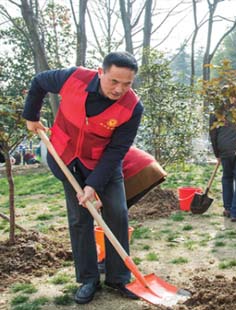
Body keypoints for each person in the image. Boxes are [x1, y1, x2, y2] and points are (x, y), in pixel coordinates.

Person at [22, 52, 143, 304]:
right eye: (114, 81)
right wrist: (31, 116)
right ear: (101, 72)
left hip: (103, 163)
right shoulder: (73, 78)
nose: (120, 89)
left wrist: (93, 185)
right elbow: (39, 82)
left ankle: (117, 277)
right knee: (79, 218)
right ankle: (88, 278)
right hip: (65, 156)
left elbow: (116, 151)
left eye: (127, 83)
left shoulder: (132, 108)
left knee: (117, 212)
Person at [209, 114, 236, 222]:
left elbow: (212, 132)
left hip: (224, 146)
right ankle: (235, 213)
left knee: (227, 177)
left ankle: (228, 209)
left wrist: (217, 153)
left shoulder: (217, 107)